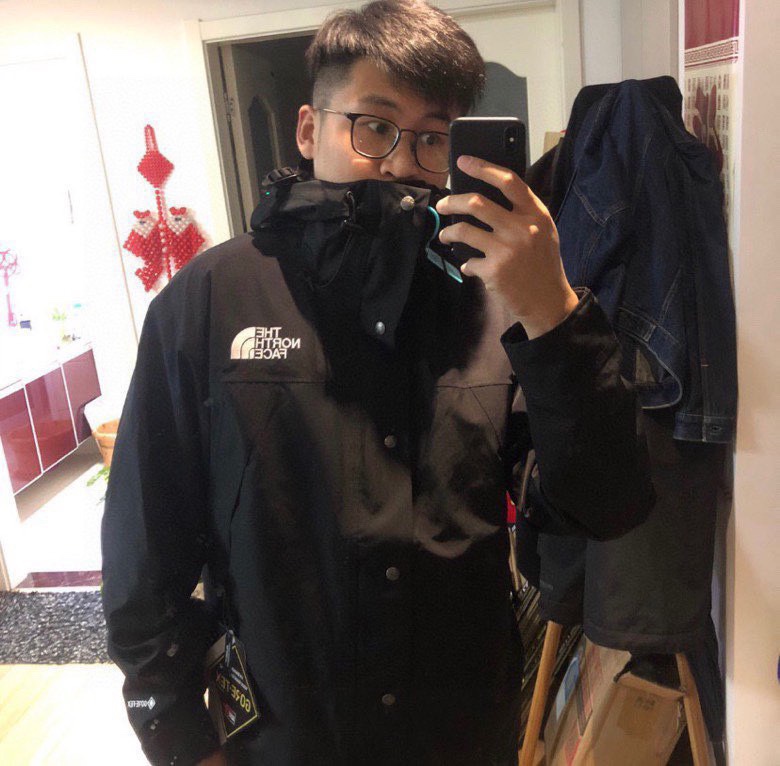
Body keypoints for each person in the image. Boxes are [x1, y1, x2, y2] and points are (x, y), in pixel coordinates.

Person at [101, 2, 654, 764]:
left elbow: (607, 501)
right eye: (373, 125)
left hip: (459, 735)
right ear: (308, 130)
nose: (400, 161)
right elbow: (144, 550)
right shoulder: (208, 302)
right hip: (281, 738)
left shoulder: (501, 303)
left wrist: (555, 314)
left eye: (431, 135)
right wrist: (180, 740)